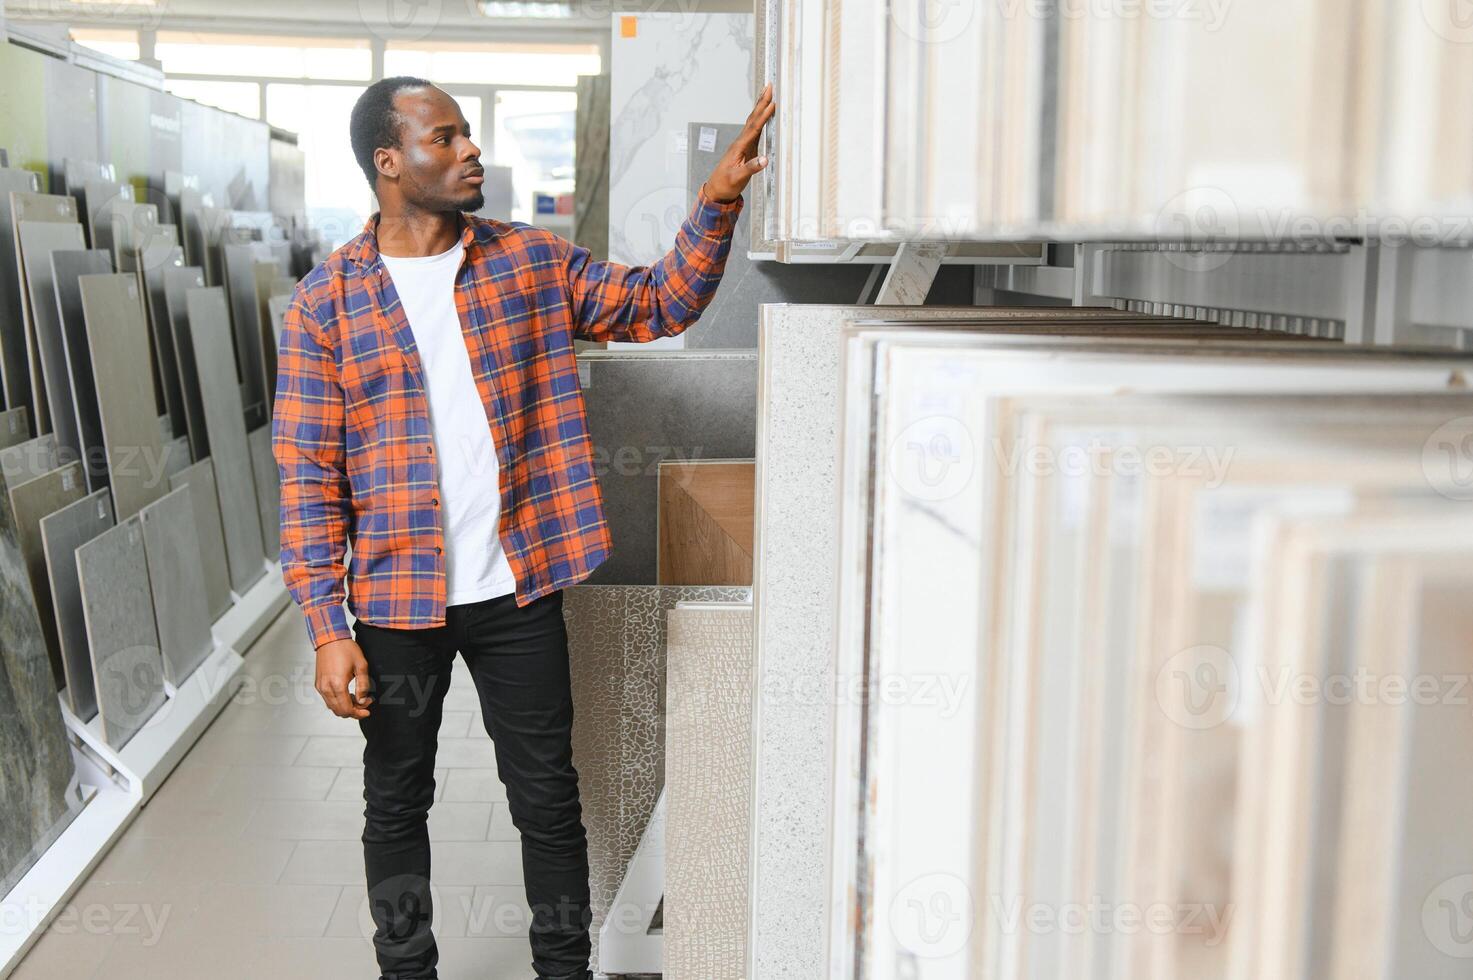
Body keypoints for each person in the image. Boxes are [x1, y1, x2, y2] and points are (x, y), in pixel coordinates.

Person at [271, 75, 774, 980]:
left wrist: (715, 203)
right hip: (394, 601)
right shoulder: (325, 305)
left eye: (468, 134)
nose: (470, 152)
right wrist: (323, 628)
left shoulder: (527, 263)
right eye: (446, 137)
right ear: (389, 162)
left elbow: (659, 304)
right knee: (395, 802)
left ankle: (562, 971)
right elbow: (308, 478)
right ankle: (407, 970)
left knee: (547, 798)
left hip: (516, 587)